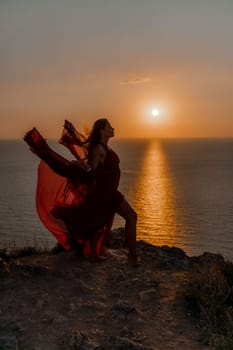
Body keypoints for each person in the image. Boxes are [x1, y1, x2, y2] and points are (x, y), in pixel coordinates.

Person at [23, 119, 138, 265]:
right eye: (109, 126)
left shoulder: (104, 147)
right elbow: (91, 171)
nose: (113, 128)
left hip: (107, 192)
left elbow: (91, 167)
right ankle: (133, 256)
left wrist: (84, 164)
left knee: (98, 223)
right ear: (102, 130)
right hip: (107, 194)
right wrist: (80, 167)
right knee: (131, 216)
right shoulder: (99, 149)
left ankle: (94, 255)